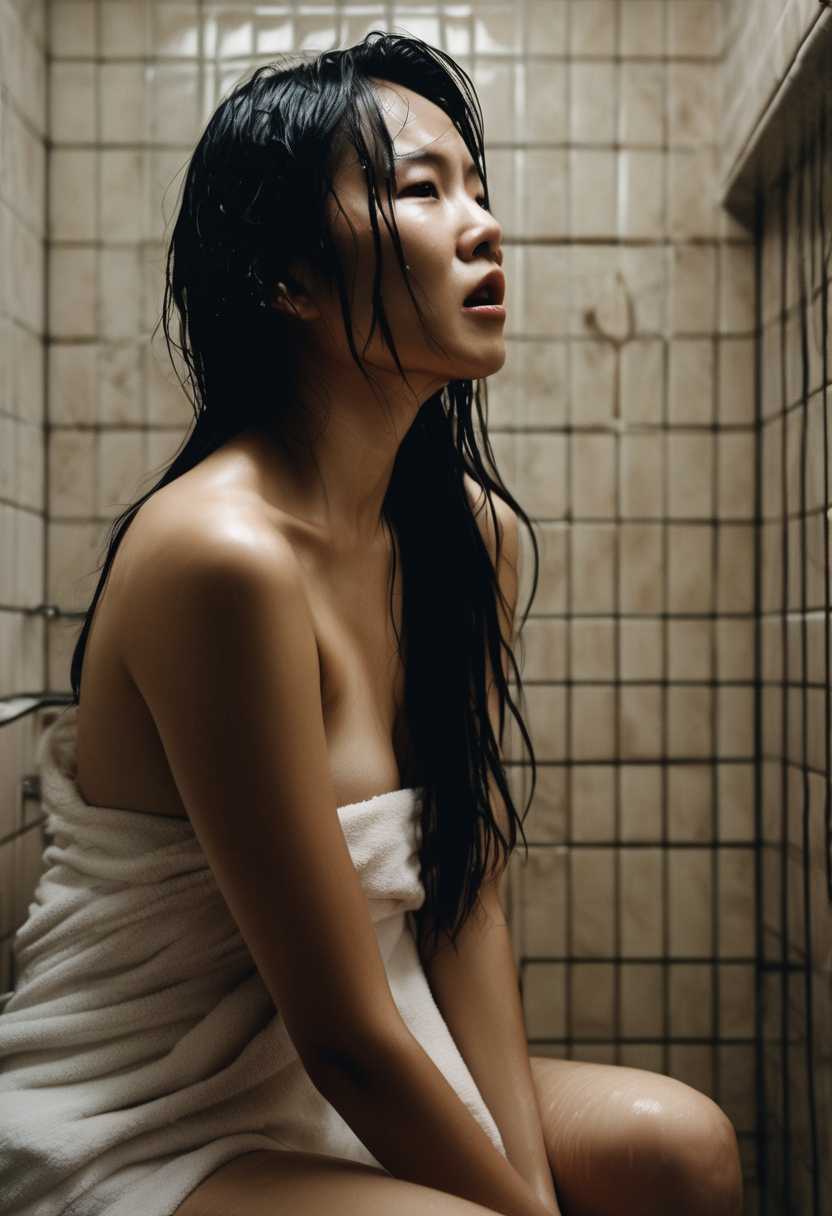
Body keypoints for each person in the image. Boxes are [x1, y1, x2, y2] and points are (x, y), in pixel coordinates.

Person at [0, 31, 742, 1216]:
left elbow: (459, 897)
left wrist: (530, 1189)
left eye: (480, 192)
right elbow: (339, 1026)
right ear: (287, 276)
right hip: (148, 1115)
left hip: (349, 1070)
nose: (483, 227)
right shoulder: (219, 557)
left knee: (684, 1148)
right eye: (419, 189)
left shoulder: (468, 538)